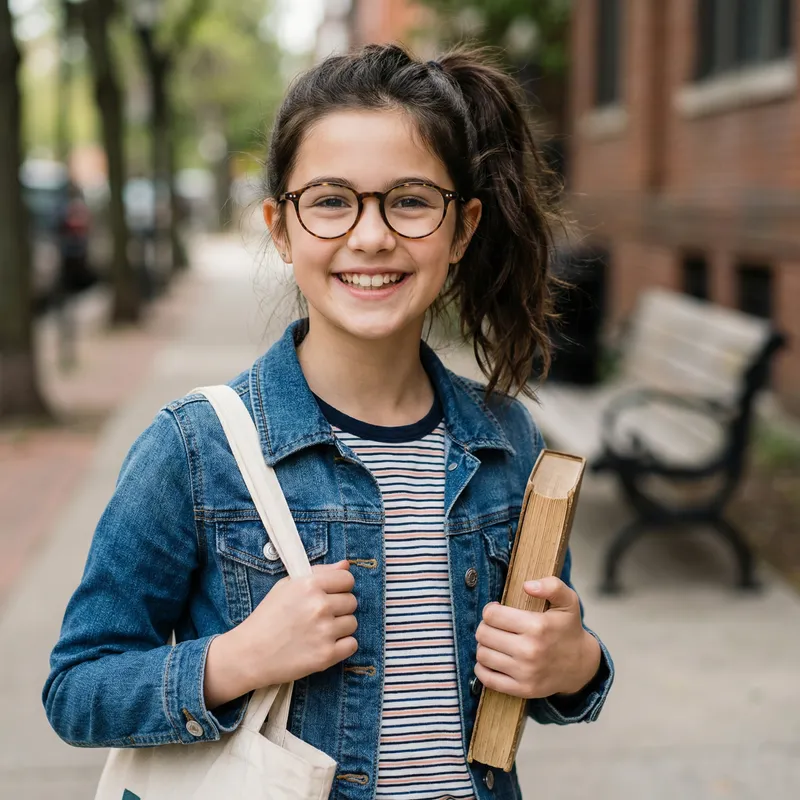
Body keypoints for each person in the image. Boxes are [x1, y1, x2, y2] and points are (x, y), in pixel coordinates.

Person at [44, 44, 613, 799]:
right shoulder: (196, 448)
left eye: (411, 200)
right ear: (280, 228)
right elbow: (78, 687)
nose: (371, 236)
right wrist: (237, 659)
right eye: (331, 201)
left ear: (462, 228)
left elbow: (539, 669)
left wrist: (576, 665)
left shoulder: (507, 441)